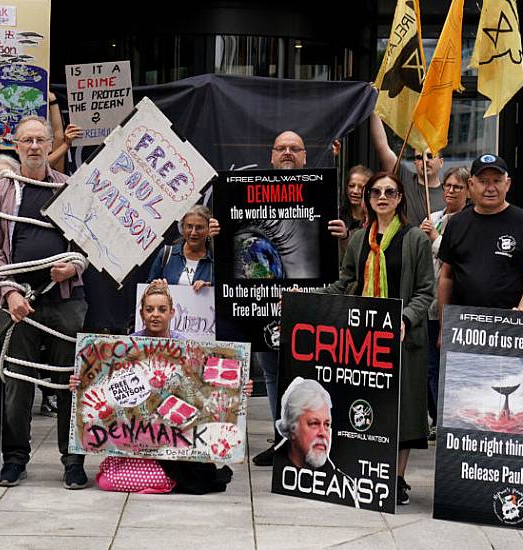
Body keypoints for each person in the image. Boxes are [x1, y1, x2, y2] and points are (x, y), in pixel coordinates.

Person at [69, 281, 253, 494]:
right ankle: (170, 481)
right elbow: (101, 384)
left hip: (173, 442)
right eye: (149, 309)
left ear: (172, 312)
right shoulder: (126, 345)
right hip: (136, 439)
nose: (155, 314)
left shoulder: (187, 348)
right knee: (106, 481)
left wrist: (240, 388)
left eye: (161, 309)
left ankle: (171, 479)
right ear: (142, 313)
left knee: (120, 479)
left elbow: (209, 386)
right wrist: (79, 383)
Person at [0, 115, 88, 489]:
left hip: (64, 299)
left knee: (69, 382)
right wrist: (10, 293)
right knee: (16, 381)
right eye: (26, 140)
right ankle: (14, 458)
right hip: (18, 301)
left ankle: (73, 461)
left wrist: (72, 268)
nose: (33, 147)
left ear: (50, 145)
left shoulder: (70, 189)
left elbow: (87, 245)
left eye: (40, 140)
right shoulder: (2, 192)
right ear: (16, 146)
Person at [322, 171, 434, 505]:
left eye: (390, 192)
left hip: (402, 339)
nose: (382, 197)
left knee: (401, 410)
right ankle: (366, 472)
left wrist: (404, 318)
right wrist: (308, 297)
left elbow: (425, 292)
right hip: (363, 341)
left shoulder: (415, 239)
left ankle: (396, 479)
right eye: (376, 192)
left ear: (400, 199)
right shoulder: (358, 239)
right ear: (368, 199)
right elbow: (345, 283)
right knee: (367, 406)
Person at [241, 130, 348, 467]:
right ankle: (281, 441)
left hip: (314, 301)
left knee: (312, 370)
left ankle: (316, 443)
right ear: (271, 156)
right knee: (272, 371)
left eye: (294, 149)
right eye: (281, 148)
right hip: (265, 303)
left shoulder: (324, 194)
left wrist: (343, 236)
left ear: (304, 156)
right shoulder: (246, 193)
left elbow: (349, 254)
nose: (287, 153)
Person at [438, 154, 523, 315]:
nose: (490, 188)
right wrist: (443, 326)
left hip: (509, 325)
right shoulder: (456, 223)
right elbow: (446, 277)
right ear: (471, 184)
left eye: (497, 181)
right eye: (483, 181)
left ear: (507, 184)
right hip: (462, 325)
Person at [419, 166, 469, 439]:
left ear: (468, 190)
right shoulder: (434, 217)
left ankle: (443, 419)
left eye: (457, 187)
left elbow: (456, 258)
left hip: (450, 304)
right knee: (427, 366)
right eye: (448, 186)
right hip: (427, 303)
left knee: (442, 367)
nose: (450, 191)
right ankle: (433, 415)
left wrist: (435, 239)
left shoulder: (467, 221)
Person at [370, 113, 446, 221]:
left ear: (441, 162)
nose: (425, 161)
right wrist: (373, 107)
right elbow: (381, 146)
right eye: (419, 157)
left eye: (430, 156)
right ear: (415, 163)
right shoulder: (404, 178)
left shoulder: (448, 192)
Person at [147, 205, 215, 292]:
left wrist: (209, 290)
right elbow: (147, 291)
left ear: (208, 230)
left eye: (199, 227)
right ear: (182, 228)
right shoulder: (167, 254)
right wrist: (156, 287)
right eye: (189, 226)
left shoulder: (213, 261)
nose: (193, 232)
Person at [276, 377, 332, 470]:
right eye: (314, 423)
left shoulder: (343, 481)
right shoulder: (279, 468)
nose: (323, 433)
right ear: (293, 428)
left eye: (327, 425)